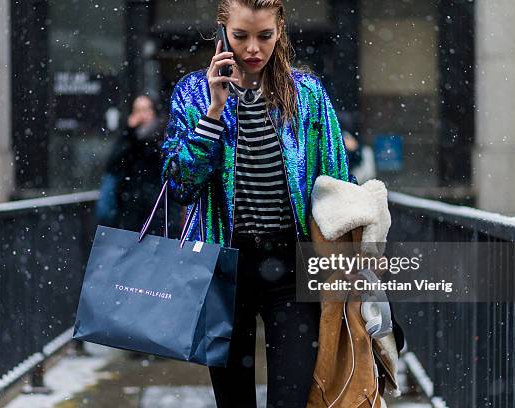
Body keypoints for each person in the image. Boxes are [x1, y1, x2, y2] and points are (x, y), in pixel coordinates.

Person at [161, 1, 353, 406]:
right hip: (222, 272)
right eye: (241, 36)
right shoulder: (194, 92)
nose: (253, 49)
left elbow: (341, 189)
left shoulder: (307, 95)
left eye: (264, 36)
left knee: (293, 398)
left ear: (279, 30)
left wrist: (363, 279)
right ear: (222, 32)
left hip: (290, 269)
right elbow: (180, 185)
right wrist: (213, 112)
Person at [96, 95, 164, 231]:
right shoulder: (129, 136)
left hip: (156, 205)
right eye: (137, 110)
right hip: (130, 202)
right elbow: (113, 164)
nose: (141, 115)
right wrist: (129, 132)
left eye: (145, 110)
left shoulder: (162, 134)